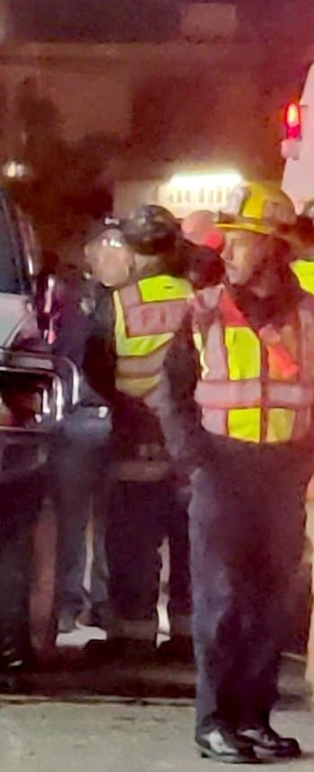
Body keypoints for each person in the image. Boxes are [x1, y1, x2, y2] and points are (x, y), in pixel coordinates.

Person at [153, 182, 314, 762]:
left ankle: (254, 718)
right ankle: (214, 721)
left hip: (284, 472)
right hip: (222, 468)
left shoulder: (309, 315)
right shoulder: (201, 312)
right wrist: (195, 461)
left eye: (242, 242)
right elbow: (169, 394)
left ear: (273, 250)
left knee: (273, 604)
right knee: (221, 601)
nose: (228, 252)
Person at [83, 205, 194, 661]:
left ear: (133, 252)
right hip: (192, 439)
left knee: (133, 540)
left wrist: (123, 404)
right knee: (189, 540)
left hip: (136, 436)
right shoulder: (200, 298)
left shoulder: (119, 304)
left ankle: (133, 635)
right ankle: (188, 637)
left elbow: (96, 364)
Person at [48, 232, 113, 634]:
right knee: (96, 520)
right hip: (95, 418)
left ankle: (68, 602)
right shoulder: (106, 303)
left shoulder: (68, 306)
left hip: (74, 419)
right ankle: (87, 603)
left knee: (72, 520)